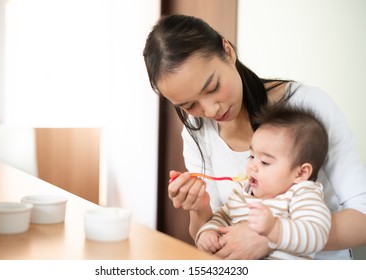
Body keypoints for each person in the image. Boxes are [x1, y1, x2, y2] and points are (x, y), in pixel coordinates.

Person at [143, 14, 366, 259]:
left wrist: (273, 238)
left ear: (227, 52)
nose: (210, 110)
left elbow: (363, 218)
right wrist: (199, 209)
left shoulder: (307, 107)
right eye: (188, 105)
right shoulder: (197, 132)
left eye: (213, 87)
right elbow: (212, 233)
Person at [195, 106, 331, 259]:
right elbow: (222, 217)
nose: (252, 166)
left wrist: (275, 229)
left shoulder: (303, 194)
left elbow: (316, 235)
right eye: (251, 156)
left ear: (300, 173)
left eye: (265, 162)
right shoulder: (243, 191)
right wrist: (209, 232)